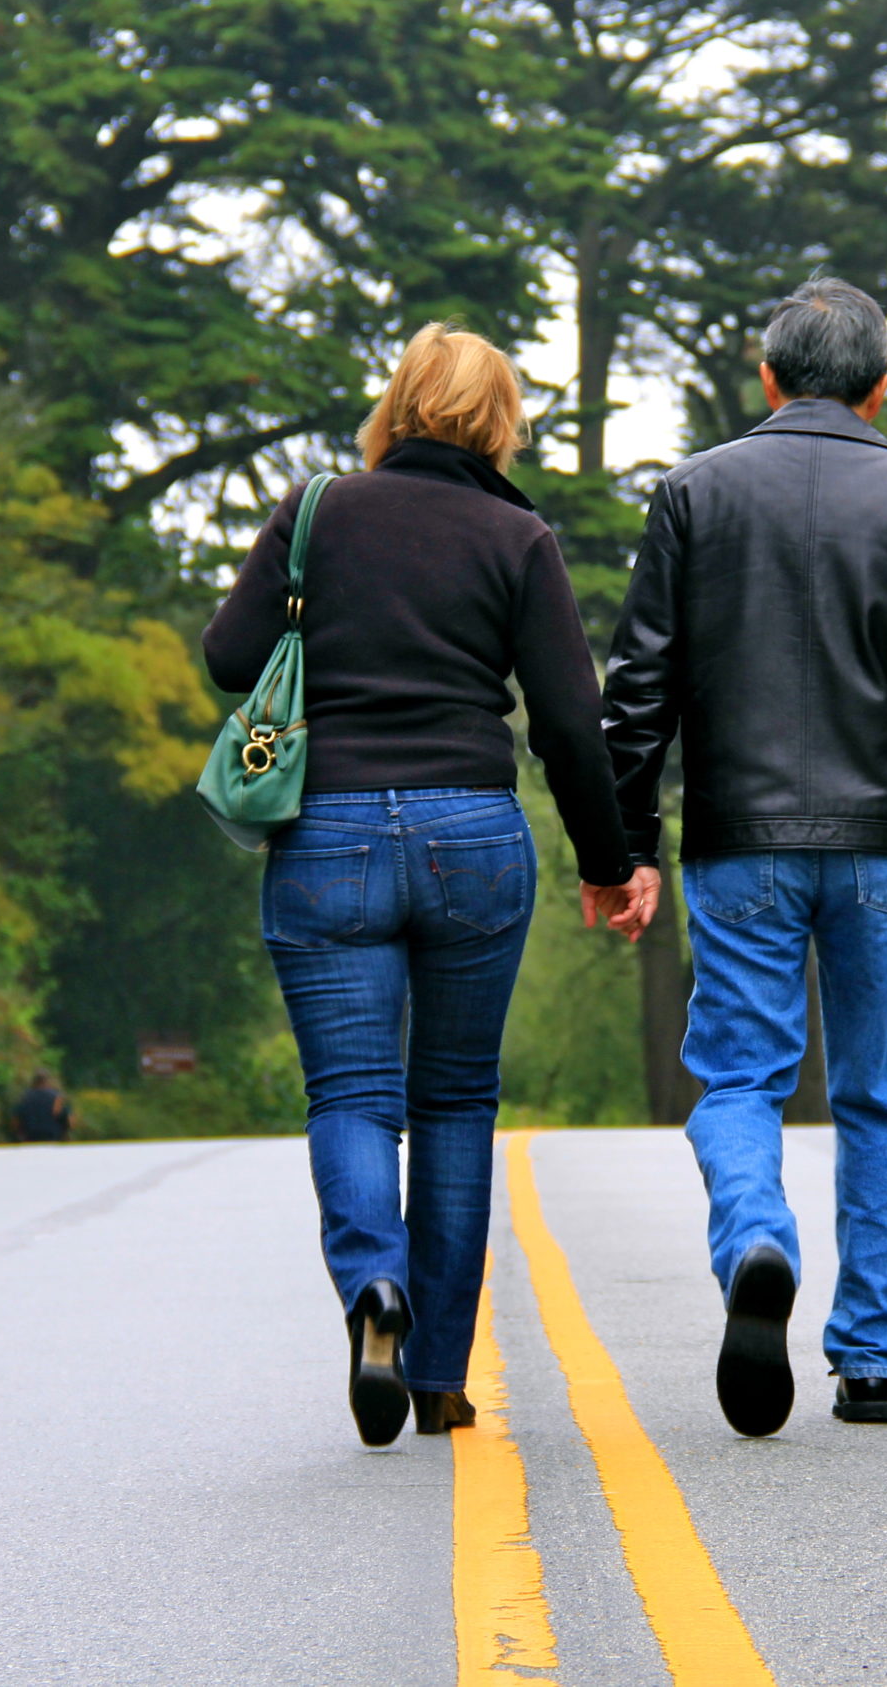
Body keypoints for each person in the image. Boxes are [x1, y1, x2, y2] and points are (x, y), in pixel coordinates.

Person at [203, 325, 636, 1448]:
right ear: (501, 423)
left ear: (396, 406)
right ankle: (439, 1374)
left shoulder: (316, 511)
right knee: (454, 1102)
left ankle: (372, 1295)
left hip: (329, 828)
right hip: (470, 835)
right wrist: (608, 859)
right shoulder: (518, 534)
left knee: (352, 1097)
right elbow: (569, 723)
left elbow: (225, 655)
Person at [600, 278, 887, 1436]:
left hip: (738, 844)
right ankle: (872, 1360)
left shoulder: (692, 493)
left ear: (768, 377)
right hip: (883, 849)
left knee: (737, 1079)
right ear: (882, 386)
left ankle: (757, 1238)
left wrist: (624, 844)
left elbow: (637, 693)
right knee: (878, 1096)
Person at [12, 1071, 73, 1143]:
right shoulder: (57, 1098)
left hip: (29, 1140)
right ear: (47, 1082)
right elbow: (70, 1122)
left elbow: (15, 1121)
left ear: (34, 1082)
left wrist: (20, 1135)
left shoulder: (24, 1098)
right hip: (52, 1140)